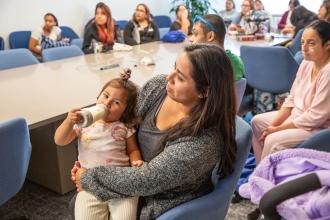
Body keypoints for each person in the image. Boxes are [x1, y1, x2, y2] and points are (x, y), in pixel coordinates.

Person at [70, 44, 237, 219]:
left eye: (180, 78)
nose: (169, 78)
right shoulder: (157, 87)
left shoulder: (202, 141)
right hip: (130, 179)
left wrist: (89, 177)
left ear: (204, 91)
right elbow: (125, 122)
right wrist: (94, 154)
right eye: (174, 68)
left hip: (157, 198)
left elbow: (148, 180)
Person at [54, 71, 143, 220]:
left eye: (116, 102)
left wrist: (136, 161)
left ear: (125, 111)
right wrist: (69, 122)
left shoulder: (124, 127)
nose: (107, 103)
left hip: (120, 183)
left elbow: (133, 149)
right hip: (89, 184)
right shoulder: (84, 124)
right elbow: (60, 140)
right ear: (97, 97)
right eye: (105, 96)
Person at [251, 20, 330, 164]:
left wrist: (277, 129)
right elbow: (292, 99)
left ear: (327, 45)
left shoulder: (328, 72)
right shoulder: (307, 63)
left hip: (319, 127)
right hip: (297, 117)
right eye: (303, 42)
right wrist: (272, 126)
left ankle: (266, 181)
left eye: (311, 43)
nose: (304, 48)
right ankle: (262, 169)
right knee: (257, 122)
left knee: (272, 140)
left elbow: (314, 118)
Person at [190, 14, 244, 81]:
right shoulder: (237, 61)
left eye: (195, 34)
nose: (191, 39)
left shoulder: (199, 65)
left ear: (210, 36)